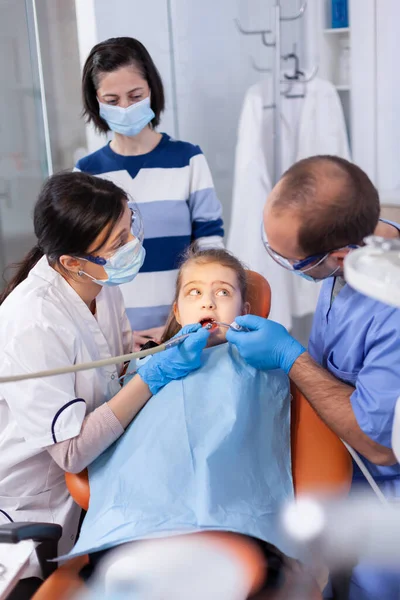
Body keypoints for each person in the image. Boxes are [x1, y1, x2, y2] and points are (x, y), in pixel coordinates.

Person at [63, 247, 321, 598]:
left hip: (236, 525)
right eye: (194, 292)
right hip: (137, 527)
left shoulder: (268, 366)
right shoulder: (144, 367)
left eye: (223, 292)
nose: (208, 303)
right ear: (177, 310)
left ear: (245, 311)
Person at [0, 171, 209, 598]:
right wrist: (151, 377)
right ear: (72, 261)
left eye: (129, 228)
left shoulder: (100, 281)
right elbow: (72, 451)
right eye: (118, 242)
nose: (132, 246)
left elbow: (106, 372)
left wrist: (142, 355)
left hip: (100, 485)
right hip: (31, 502)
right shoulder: (31, 322)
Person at [226, 155, 400, 600]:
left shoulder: (391, 304)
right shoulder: (360, 240)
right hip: (337, 486)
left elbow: (379, 445)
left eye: (292, 261)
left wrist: (292, 359)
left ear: (340, 253)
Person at [75, 37, 224, 349]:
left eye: (135, 95)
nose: (126, 108)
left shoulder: (188, 159)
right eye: (112, 100)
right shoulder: (86, 175)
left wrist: (187, 320)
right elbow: (82, 269)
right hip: (115, 339)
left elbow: (211, 249)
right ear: (96, 101)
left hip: (184, 328)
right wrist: (120, 337)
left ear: (151, 91)